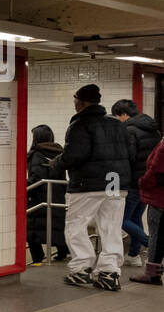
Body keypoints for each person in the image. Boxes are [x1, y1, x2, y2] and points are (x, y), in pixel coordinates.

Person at [49, 83, 133, 290]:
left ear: (82, 102)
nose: (75, 104)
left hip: (89, 184)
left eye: (76, 100)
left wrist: (56, 163)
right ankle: (109, 271)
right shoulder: (117, 124)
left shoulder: (80, 124)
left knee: (76, 224)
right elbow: (130, 153)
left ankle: (81, 267)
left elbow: (74, 155)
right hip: (116, 182)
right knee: (111, 226)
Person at [111, 99, 161, 267]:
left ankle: (149, 244)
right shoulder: (154, 130)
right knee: (135, 217)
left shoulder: (129, 131)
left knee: (122, 220)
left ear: (124, 115)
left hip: (133, 182)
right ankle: (133, 255)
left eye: (117, 116)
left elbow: (128, 158)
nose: (116, 120)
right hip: (148, 182)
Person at [25, 124, 69, 266]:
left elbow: (36, 178)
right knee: (56, 226)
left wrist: (24, 185)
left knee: (31, 230)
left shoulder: (36, 154)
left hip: (39, 198)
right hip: (57, 195)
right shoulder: (59, 152)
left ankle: (38, 259)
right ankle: (63, 252)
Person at [129, 134, 164, 286]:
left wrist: (143, 182)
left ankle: (152, 275)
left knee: (157, 236)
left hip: (159, 196)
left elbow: (156, 170)